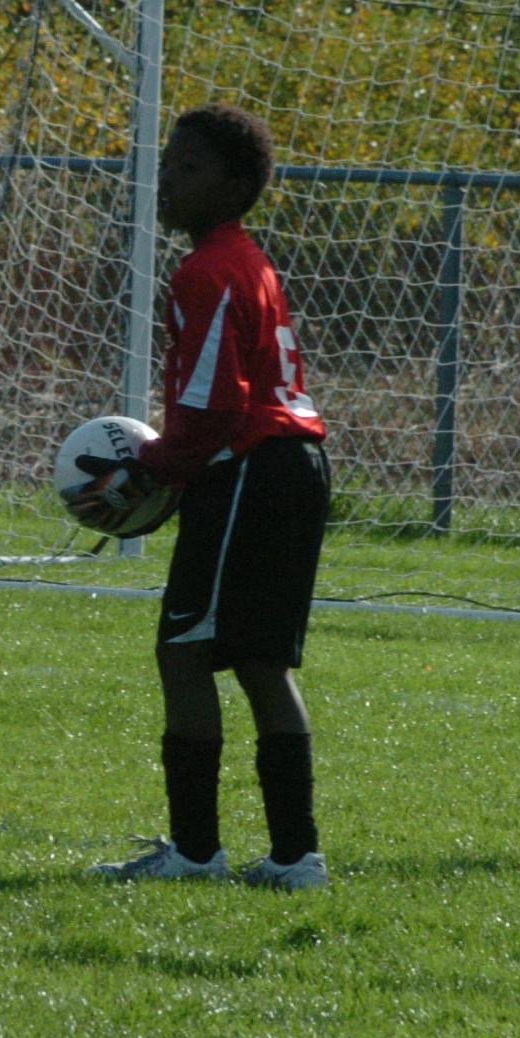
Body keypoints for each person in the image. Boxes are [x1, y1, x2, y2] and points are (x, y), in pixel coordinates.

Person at [66, 103, 332, 891]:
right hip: (287, 467)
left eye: (189, 169)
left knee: (184, 651)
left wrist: (146, 470)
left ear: (237, 186)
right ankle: (295, 859)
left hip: (250, 470)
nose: (168, 181)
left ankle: (195, 852)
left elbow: (215, 406)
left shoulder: (207, 270)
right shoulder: (246, 261)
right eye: (166, 165)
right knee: (259, 662)